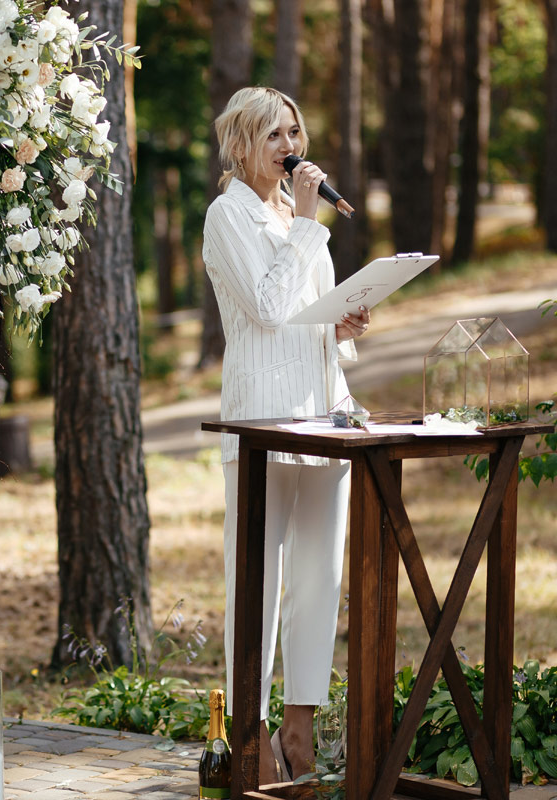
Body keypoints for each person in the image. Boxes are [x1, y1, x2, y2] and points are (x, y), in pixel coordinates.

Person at [201, 86, 370, 785]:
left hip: (324, 413)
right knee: (258, 580)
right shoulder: (228, 215)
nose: (289, 145)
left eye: (293, 131)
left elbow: (304, 313)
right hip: (263, 417)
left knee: (318, 577)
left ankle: (299, 730)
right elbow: (267, 309)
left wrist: (341, 324)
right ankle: (249, 733)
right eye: (273, 134)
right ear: (241, 143)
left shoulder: (296, 218)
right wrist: (306, 223)